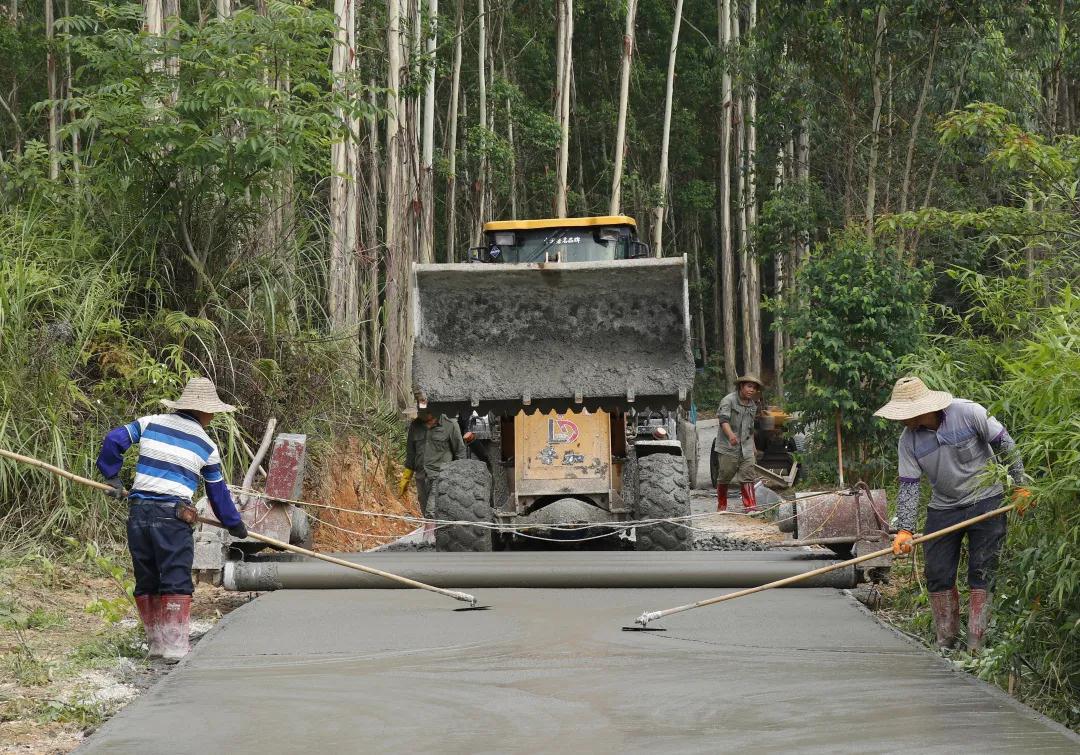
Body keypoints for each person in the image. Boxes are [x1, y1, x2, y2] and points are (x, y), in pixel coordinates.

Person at [96, 377, 247, 661]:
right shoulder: (206, 445)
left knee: (147, 577)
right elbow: (218, 493)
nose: (213, 417)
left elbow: (114, 440)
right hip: (173, 517)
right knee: (176, 578)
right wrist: (234, 524)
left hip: (138, 513)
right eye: (213, 412)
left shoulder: (150, 422)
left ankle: (156, 646)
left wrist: (112, 477)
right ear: (205, 412)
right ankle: (175, 649)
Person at [874, 376, 1030, 651]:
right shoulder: (908, 441)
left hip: (986, 500)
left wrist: (1020, 486)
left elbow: (1006, 445)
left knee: (982, 570)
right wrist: (905, 529)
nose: (900, 420)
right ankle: (946, 642)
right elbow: (909, 486)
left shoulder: (970, 413)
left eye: (904, 414)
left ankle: (976, 645)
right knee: (937, 571)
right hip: (944, 507)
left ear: (924, 409)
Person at [398, 393, 467, 516]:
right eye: (419, 412)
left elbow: (460, 452)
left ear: (434, 411)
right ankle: (437, 534)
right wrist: (406, 477)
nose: (421, 415)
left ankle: (430, 535)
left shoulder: (450, 424)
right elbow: (411, 452)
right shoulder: (415, 426)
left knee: (431, 512)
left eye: (425, 413)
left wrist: (459, 479)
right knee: (426, 512)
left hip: (441, 477)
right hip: (421, 477)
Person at [715, 374, 763, 513]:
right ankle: (722, 506)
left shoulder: (752, 405)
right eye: (749, 386)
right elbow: (723, 421)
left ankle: (750, 507)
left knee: (748, 475)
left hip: (746, 447)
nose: (751, 390)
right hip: (728, 446)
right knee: (725, 476)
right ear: (741, 386)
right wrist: (731, 436)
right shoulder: (728, 400)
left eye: (754, 388)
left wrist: (753, 446)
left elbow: (751, 427)